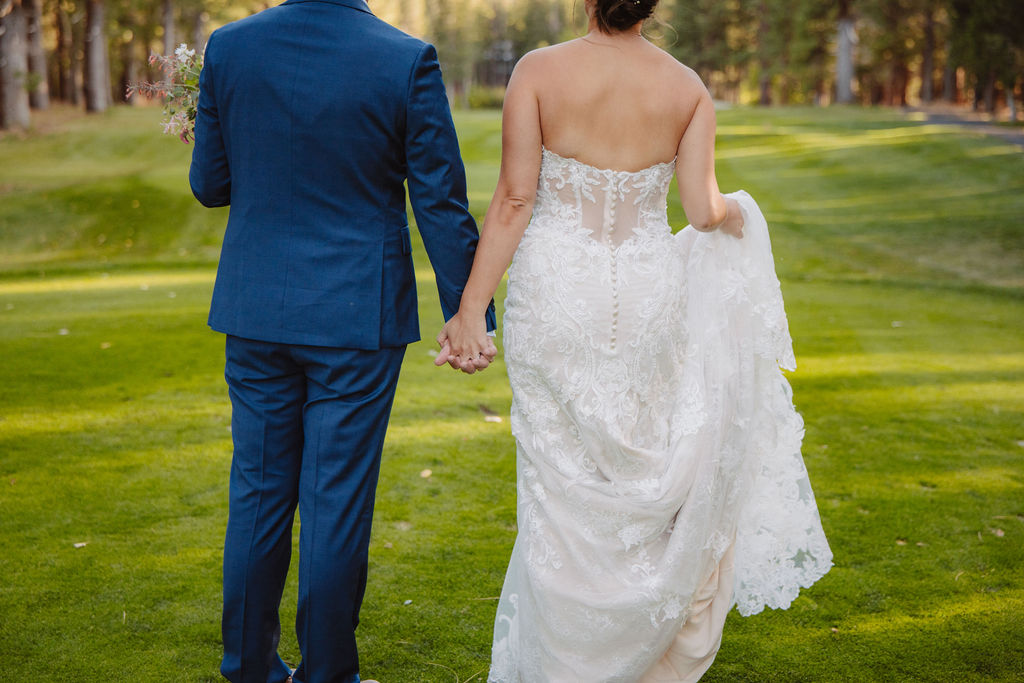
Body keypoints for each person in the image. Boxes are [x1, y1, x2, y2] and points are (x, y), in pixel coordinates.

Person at [435, 0, 833, 680]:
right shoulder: (687, 89)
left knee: (557, 485)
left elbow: (512, 199)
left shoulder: (538, 71)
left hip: (556, 293)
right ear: (652, 5)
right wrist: (743, 212)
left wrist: (472, 310)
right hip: (649, 295)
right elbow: (704, 211)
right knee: (638, 468)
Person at [188, 1, 496, 681]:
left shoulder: (230, 48)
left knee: (259, 490)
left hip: (258, 306)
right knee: (336, 500)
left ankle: (247, 668)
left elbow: (209, 186)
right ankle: (327, 672)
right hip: (357, 313)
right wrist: (469, 312)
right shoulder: (403, 58)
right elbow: (439, 200)